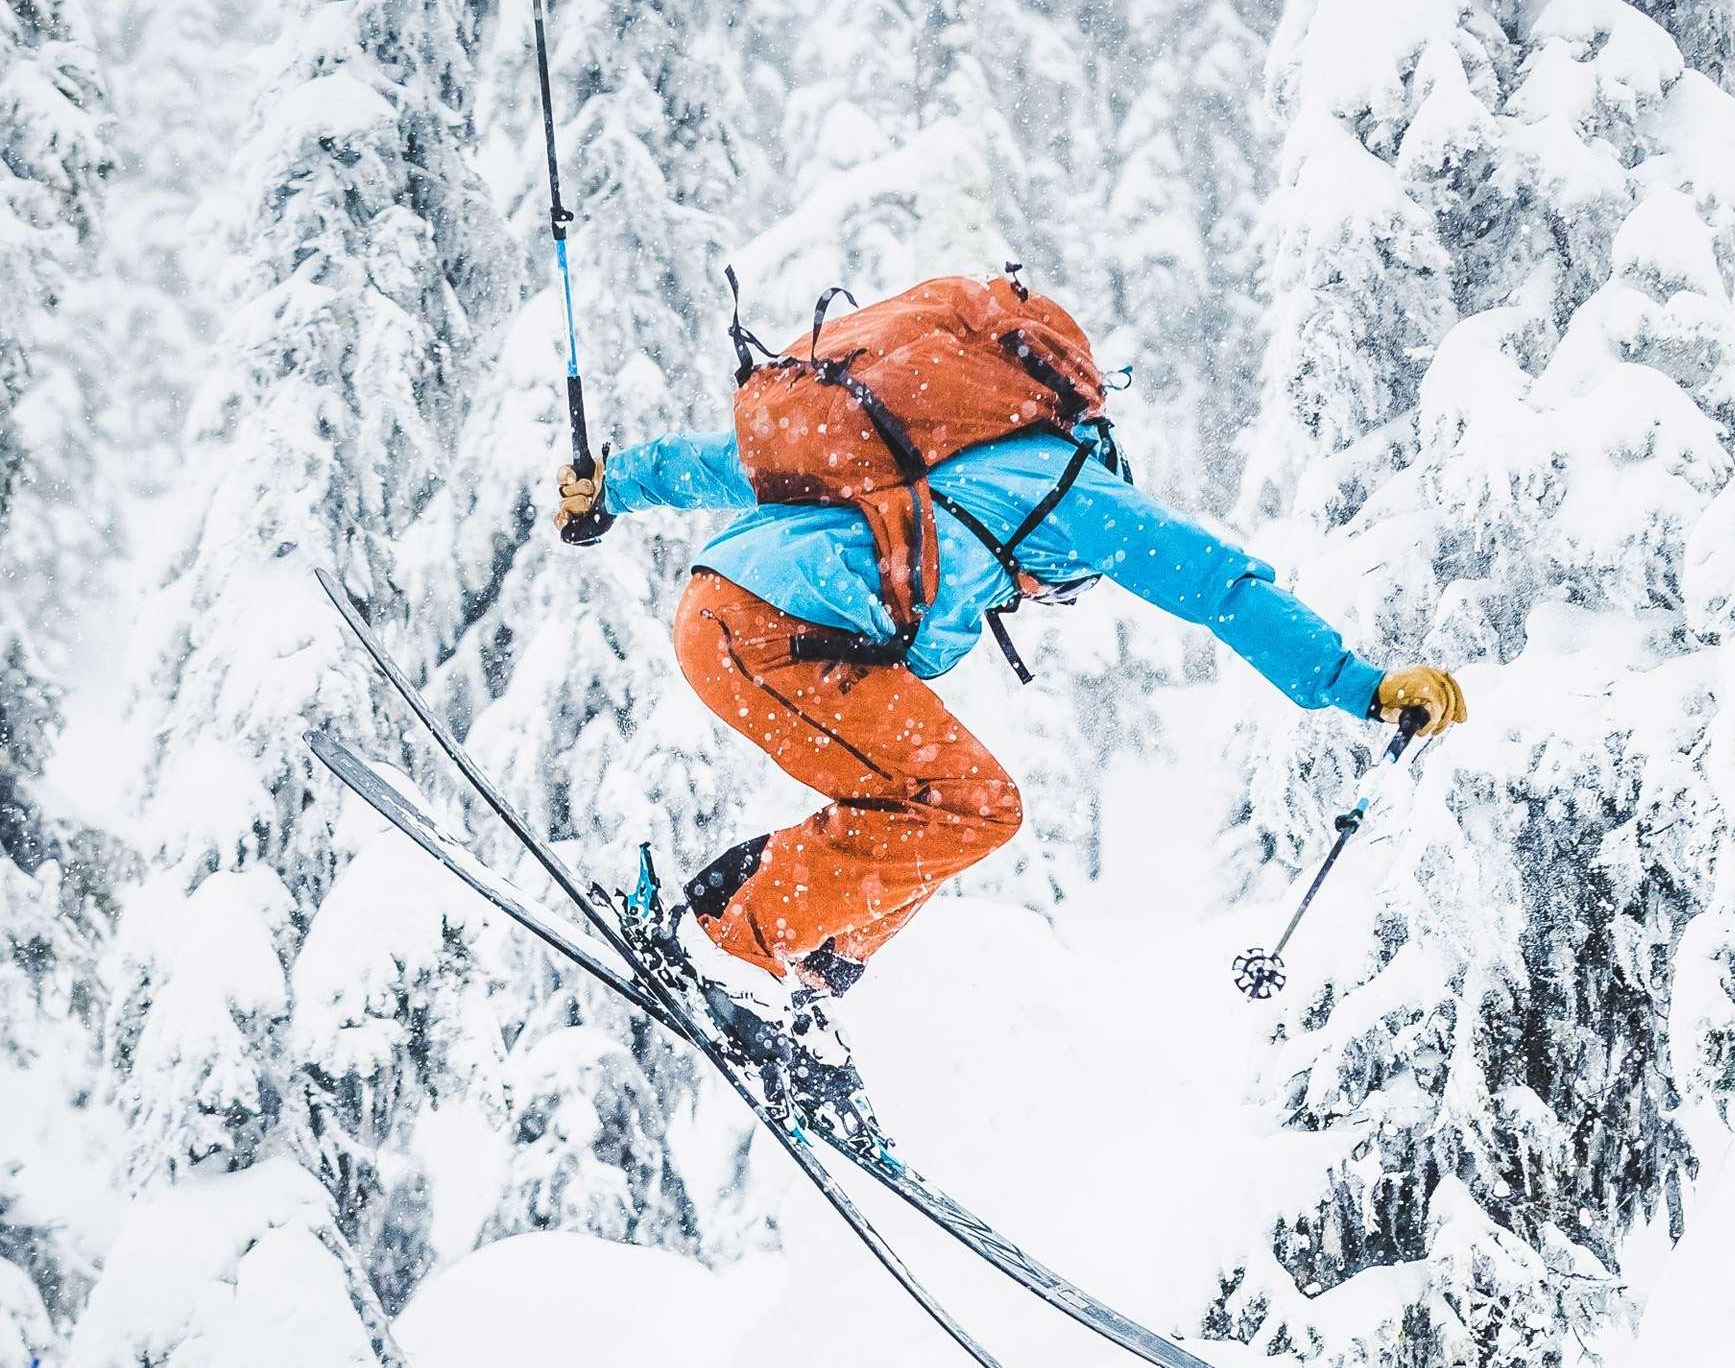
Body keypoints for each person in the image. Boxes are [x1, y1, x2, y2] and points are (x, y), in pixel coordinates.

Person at [552, 418, 1468, 1069]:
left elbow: (746, 459)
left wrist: (616, 486)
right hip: (771, 625)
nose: (1041, 597)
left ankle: (797, 964)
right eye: (1066, 590)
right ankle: (732, 944)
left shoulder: (937, 442)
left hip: (738, 607)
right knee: (969, 805)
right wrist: (1362, 686)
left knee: (938, 803)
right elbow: (1218, 585)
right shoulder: (1079, 495)